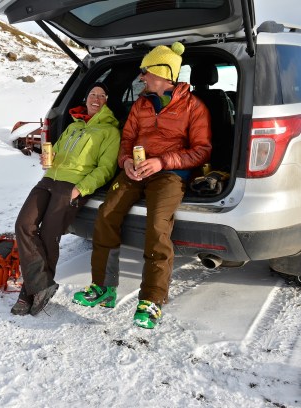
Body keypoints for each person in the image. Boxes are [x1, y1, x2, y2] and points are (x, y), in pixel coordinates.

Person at [72, 42, 212, 329]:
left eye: (146, 72)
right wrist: (125, 162)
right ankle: (103, 288)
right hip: (134, 171)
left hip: (170, 174)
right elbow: (126, 141)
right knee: (107, 214)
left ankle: (151, 300)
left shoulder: (193, 106)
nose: (141, 77)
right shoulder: (140, 104)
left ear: (162, 73)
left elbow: (202, 151)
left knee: (158, 227)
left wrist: (162, 162)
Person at [12, 82, 121, 316]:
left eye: (101, 95)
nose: (96, 98)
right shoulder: (74, 126)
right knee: (23, 225)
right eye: (92, 93)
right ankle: (40, 285)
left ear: (106, 101)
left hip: (72, 186)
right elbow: (56, 151)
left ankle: (29, 291)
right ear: (86, 98)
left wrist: (80, 189)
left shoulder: (109, 131)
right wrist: (46, 160)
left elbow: (106, 168)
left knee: (49, 234)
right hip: (49, 179)